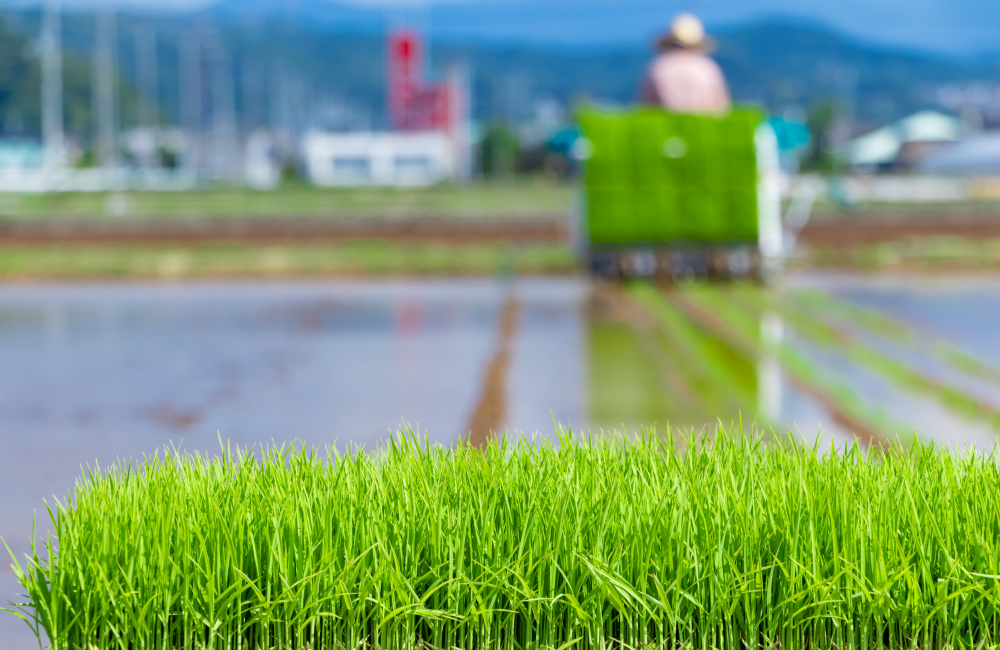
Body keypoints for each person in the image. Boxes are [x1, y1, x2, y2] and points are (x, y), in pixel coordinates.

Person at [641, 13, 731, 114]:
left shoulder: (657, 67)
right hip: (705, 127)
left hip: (667, 128)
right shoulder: (707, 67)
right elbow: (722, 108)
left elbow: (647, 109)